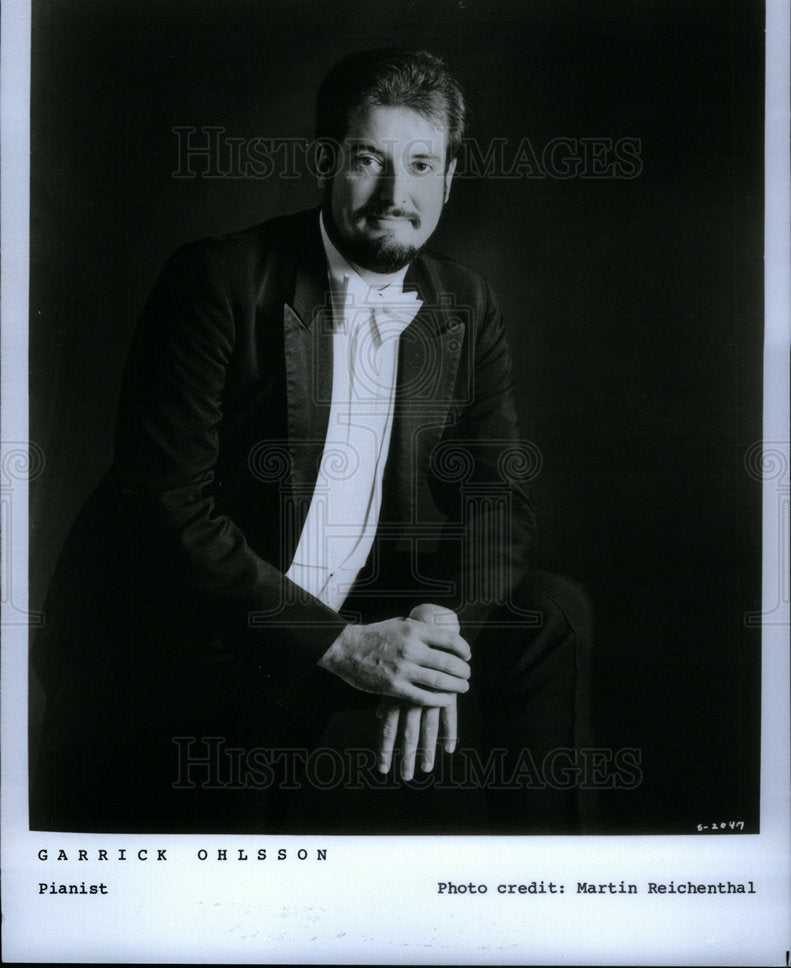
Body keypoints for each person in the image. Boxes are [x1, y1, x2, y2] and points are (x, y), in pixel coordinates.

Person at [31, 48, 593, 833]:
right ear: (326, 162)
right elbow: (164, 507)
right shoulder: (216, 280)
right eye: (369, 160)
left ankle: (548, 887)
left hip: (366, 596)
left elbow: (497, 496)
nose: (396, 194)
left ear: (447, 178)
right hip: (218, 616)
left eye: (421, 164)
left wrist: (438, 622)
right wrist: (335, 645)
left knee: (549, 613)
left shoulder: (465, 300)